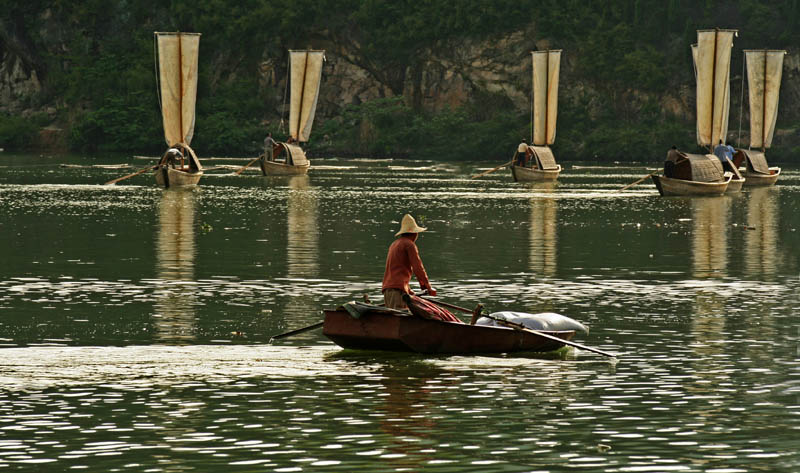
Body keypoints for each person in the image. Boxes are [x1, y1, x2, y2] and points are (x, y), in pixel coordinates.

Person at [382, 214, 437, 310]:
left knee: (393, 318)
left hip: (388, 290)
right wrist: (428, 287)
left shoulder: (394, 244)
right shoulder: (409, 245)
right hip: (397, 291)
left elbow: (397, 270)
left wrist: (409, 291)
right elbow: (418, 268)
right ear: (415, 234)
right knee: (400, 319)